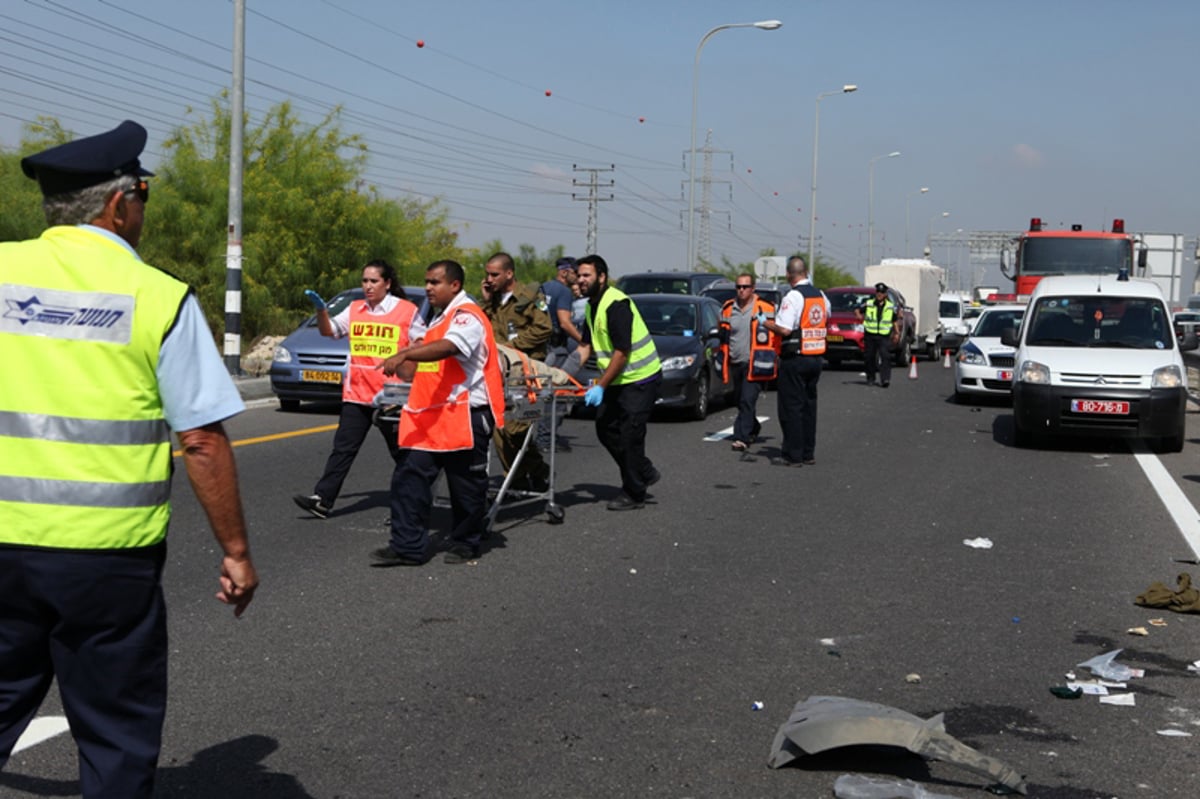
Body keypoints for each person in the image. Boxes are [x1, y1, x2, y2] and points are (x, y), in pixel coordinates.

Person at [0, 120, 258, 798]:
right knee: (115, 735)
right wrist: (234, 550)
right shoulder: (158, 296)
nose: (143, 208)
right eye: (143, 194)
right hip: (104, 562)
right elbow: (199, 438)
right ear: (118, 204)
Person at [371, 260, 506, 566]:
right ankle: (407, 546)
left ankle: (466, 541)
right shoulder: (436, 319)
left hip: (465, 415)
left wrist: (406, 352)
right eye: (427, 282)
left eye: (435, 282)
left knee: (466, 488)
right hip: (432, 416)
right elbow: (419, 368)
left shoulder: (467, 316)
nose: (428, 288)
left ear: (454, 285)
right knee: (409, 478)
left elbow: (448, 348)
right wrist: (406, 354)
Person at [293, 260, 424, 519]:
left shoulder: (407, 311)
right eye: (364, 281)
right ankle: (323, 499)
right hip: (358, 393)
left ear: (387, 283)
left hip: (391, 395)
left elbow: (422, 344)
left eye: (374, 281)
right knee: (343, 448)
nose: (368, 286)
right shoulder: (355, 309)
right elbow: (329, 331)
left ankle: (415, 503)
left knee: (402, 453)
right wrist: (321, 311)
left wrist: (408, 364)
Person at [575, 254, 662, 510]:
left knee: (630, 434)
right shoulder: (593, 305)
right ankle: (643, 470)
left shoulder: (616, 304)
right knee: (605, 428)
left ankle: (634, 492)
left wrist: (600, 385)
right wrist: (562, 373)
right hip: (618, 380)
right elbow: (585, 347)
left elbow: (621, 353)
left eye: (586, 275)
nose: (581, 280)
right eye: (579, 276)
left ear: (601, 277)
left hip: (640, 377)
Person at [479, 251, 552, 491]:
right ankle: (517, 479)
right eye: (487, 274)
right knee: (499, 429)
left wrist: (512, 348)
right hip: (499, 373)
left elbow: (543, 328)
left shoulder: (528, 297)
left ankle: (537, 469)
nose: (489, 279)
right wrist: (487, 300)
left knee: (515, 428)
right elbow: (483, 326)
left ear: (509, 273)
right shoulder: (494, 301)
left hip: (525, 372)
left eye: (494, 274)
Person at [761, 256, 828, 467]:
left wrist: (767, 323)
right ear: (806, 272)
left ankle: (792, 454)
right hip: (816, 357)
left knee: (791, 408)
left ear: (789, 275)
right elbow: (825, 318)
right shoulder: (821, 296)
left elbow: (786, 329)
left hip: (795, 357)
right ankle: (808, 453)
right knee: (809, 407)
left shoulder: (793, 297)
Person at [718, 273, 778, 452]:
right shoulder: (728, 308)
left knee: (747, 400)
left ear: (753, 288)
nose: (741, 290)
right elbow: (722, 334)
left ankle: (741, 437)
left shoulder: (765, 308)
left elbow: (777, 335)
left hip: (756, 363)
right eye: (738, 287)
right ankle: (753, 426)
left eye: (745, 287)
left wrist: (774, 358)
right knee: (738, 399)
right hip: (735, 362)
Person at [538, 255, 584, 452]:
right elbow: (564, 322)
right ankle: (546, 439)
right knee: (557, 393)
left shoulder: (544, 287)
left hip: (543, 348)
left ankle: (542, 437)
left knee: (544, 392)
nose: (578, 277)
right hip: (557, 349)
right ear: (565, 272)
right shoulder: (564, 292)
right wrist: (584, 340)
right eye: (575, 273)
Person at [856, 282, 900, 387]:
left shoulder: (890, 307)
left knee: (885, 356)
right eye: (878, 292)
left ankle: (885, 379)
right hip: (870, 335)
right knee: (869, 357)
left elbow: (894, 321)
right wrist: (859, 316)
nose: (879, 294)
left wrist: (897, 333)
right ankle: (871, 377)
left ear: (885, 294)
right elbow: (857, 310)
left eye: (882, 292)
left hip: (883, 336)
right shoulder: (869, 303)